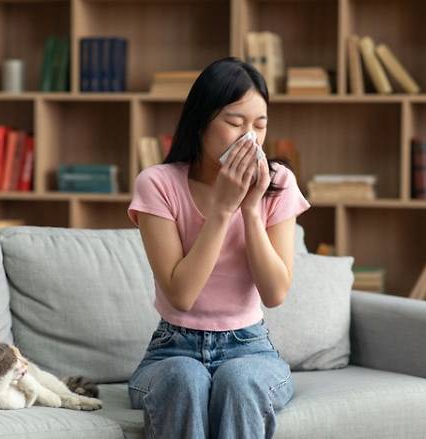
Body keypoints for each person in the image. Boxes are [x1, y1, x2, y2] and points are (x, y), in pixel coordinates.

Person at [126, 56, 311, 439]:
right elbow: (181, 295)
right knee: (185, 377)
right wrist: (223, 209)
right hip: (172, 350)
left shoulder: (278, 183)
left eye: (259, 126)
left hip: (251, 348)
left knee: (239, 379)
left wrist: (250, 209)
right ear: (201, 121)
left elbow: (275, 293)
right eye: (234, 122)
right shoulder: (158, 184)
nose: (250, 138)